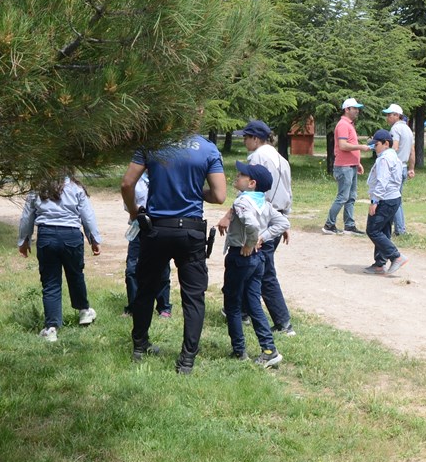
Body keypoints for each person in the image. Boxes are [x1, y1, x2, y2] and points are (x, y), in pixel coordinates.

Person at [120, 133, 226, 373]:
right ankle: (187, 359)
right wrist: (197, 192)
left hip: (156, 229)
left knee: (146, 288)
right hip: (190, 232)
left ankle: (139, 345)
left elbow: (127, 183)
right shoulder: (208, 149)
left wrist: (135, 212)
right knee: (193, 296)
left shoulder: (151, 143)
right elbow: (219, 196)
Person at [221, 120, 295, 336]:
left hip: (261, 217)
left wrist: (230, 214)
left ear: (255, 138)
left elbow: (252, 194)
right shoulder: (281, 157)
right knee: (252, 267)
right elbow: (286, 191)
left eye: (246, 137)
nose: (244, 141)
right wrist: (282, 218)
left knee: (263, 271)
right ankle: (241, 311)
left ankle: (283, 322)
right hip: (276, 213)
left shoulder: (258, 156)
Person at [218, 161, 290, 367]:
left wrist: (251, 241)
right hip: (258, 260)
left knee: (232, 305)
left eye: (241, 174)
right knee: (254, 303)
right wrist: (263, 238)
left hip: (240, 256)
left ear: (251, 183)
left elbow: (249, 223)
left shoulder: (242, 202)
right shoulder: (264, 203)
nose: (237, 176)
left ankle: (239, 351)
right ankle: (269, 350)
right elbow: (283, 223)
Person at [17, 176, 101, 342]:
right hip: (71, 236)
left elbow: (27, 216)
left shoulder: (37, 188)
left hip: (46, 236)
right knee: (76, 275)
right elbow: (87, 215)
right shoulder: (76, 188)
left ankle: (51, 328)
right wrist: (94, 238)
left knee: (51, 282)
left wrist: (24, 240)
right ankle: (84, 311)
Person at [124, 173, 172, 320]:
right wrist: (140, 211)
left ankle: (164, 307)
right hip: (139, 227)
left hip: (161, 227)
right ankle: (134, 306)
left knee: (162, 268)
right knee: (132, 269)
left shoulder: (166, 178)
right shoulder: (135, 180)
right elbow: (127, 203)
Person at [363, 129, 409, 275]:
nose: (373, 147)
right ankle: (379, 264)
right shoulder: (393, 156)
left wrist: (374, 201)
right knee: (383, 230)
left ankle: (396, 256)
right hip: (393, 198)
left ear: (385, 143)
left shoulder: (384, 159)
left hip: (385, 199)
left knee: (373, 230)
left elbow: (382, 182)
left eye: (376, 144)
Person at [323, 97, 365, 235]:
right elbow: (343, 145)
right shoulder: (342, 125)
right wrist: (361, 147)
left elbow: (349, 144)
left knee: (351, 197)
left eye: (358, 109)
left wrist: (357, 162)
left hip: (351, 166)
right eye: (355, 108)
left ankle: (349, 226)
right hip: (344, 167)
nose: (357, 111)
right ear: (347, 109)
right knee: (343, 197)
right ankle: (329, 225)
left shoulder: (349, 124)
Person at [383, 103, 416, 236]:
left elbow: (394, 147)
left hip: (395, 168)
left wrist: (382, 153)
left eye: (389, 115)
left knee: (394, 199)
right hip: (403, 167)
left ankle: (400, 230)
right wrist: (411, 168)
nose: (387, 118)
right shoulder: (408, 129)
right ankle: (393, 227)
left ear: (396, 115)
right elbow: (412, 151)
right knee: (397, 198)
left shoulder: (395, 129)